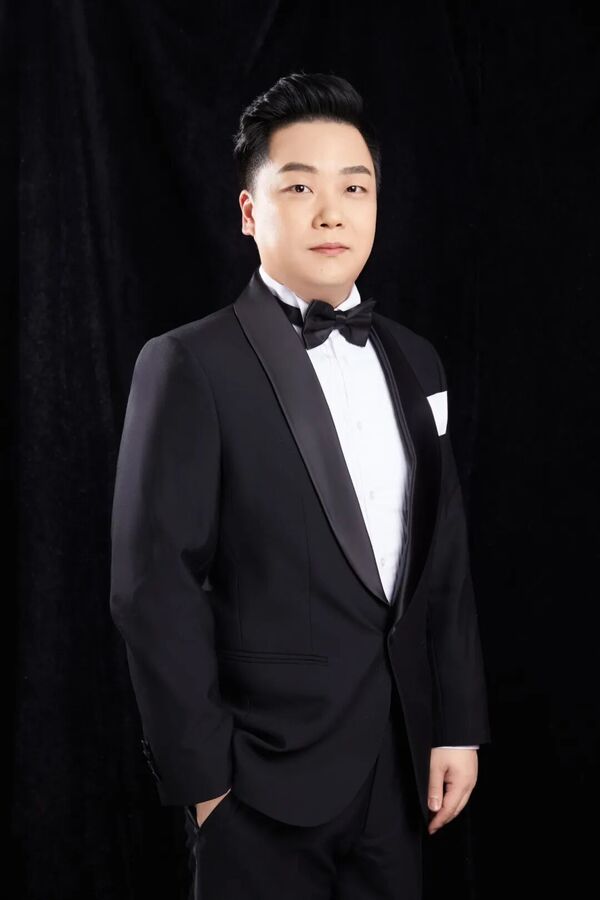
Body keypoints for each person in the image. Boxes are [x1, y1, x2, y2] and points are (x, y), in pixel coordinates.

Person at [109, 71, 492, 900]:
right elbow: (152, 585)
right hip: (258, 781)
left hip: (400, 769)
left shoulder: (415, 359)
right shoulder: (188, 363)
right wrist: (206, 786)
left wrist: (457, 724)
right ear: (251, 213)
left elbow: (443, 554)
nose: (331, 213)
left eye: (354, 188)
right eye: (299, 187)